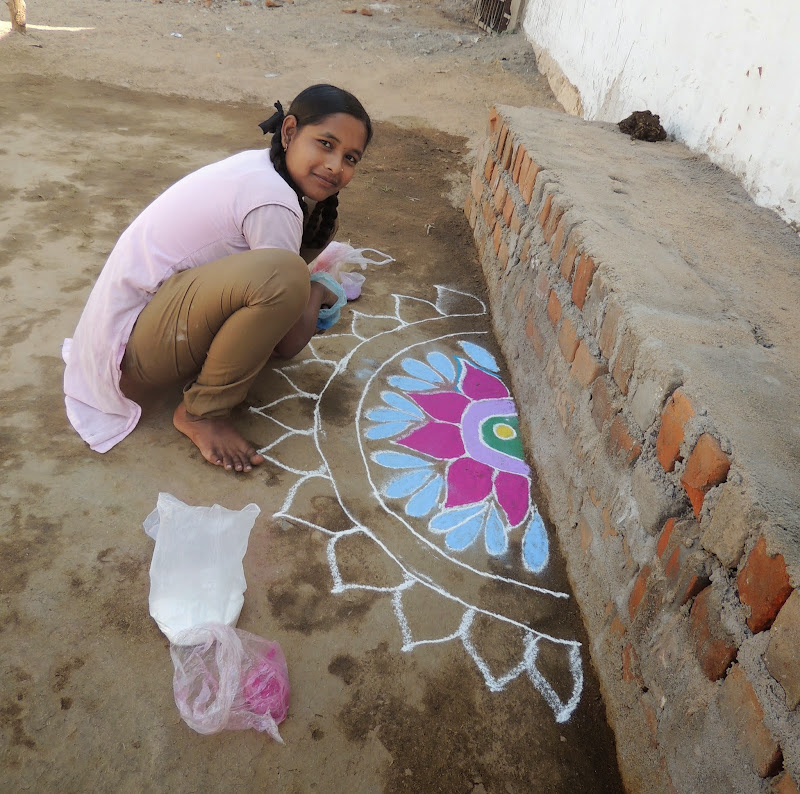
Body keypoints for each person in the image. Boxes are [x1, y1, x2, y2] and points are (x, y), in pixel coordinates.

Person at [62, 84, 372, 473]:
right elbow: (287, 343)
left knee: (295, 260)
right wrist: (315, 294)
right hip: (129, 359)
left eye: (350, 158)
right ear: (289, 132)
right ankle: (202, 414)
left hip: (131, 333)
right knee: (286, 276)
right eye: (325, 143)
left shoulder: (262, 168)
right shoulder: (274, 201)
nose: (335, 165)